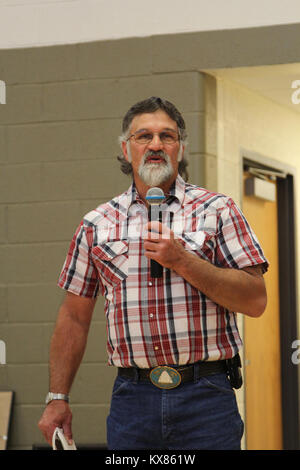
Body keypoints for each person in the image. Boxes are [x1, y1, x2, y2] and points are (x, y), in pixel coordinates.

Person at [38, 96, 268, 450]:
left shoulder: (218, 210)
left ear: (180, 148)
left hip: (206, 397)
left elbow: (255, 300)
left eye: (168, 136)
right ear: (126, 149)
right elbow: (73, 317)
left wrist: (184, 261)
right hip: (133, 400)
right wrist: (57, 396)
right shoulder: (96, 224)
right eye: (144, 136)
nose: (156, 145)